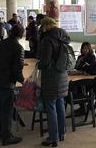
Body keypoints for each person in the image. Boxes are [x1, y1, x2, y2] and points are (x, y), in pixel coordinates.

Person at [0, 24, 25, 146]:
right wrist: (23, 81)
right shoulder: (18, 48)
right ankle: (7, 136)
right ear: (21, 34)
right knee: (6, 110)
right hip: (5, 82)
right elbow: (17, 70)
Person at [38, 17, 70, 146]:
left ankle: (53, 137)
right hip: (62, 75)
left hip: (51, 77)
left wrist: (39, 65)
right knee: (60, 105)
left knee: (50, 107)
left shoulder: (48, 40)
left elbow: (45, 61)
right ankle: (62, 133)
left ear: (46, 26)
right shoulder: (63, 37)